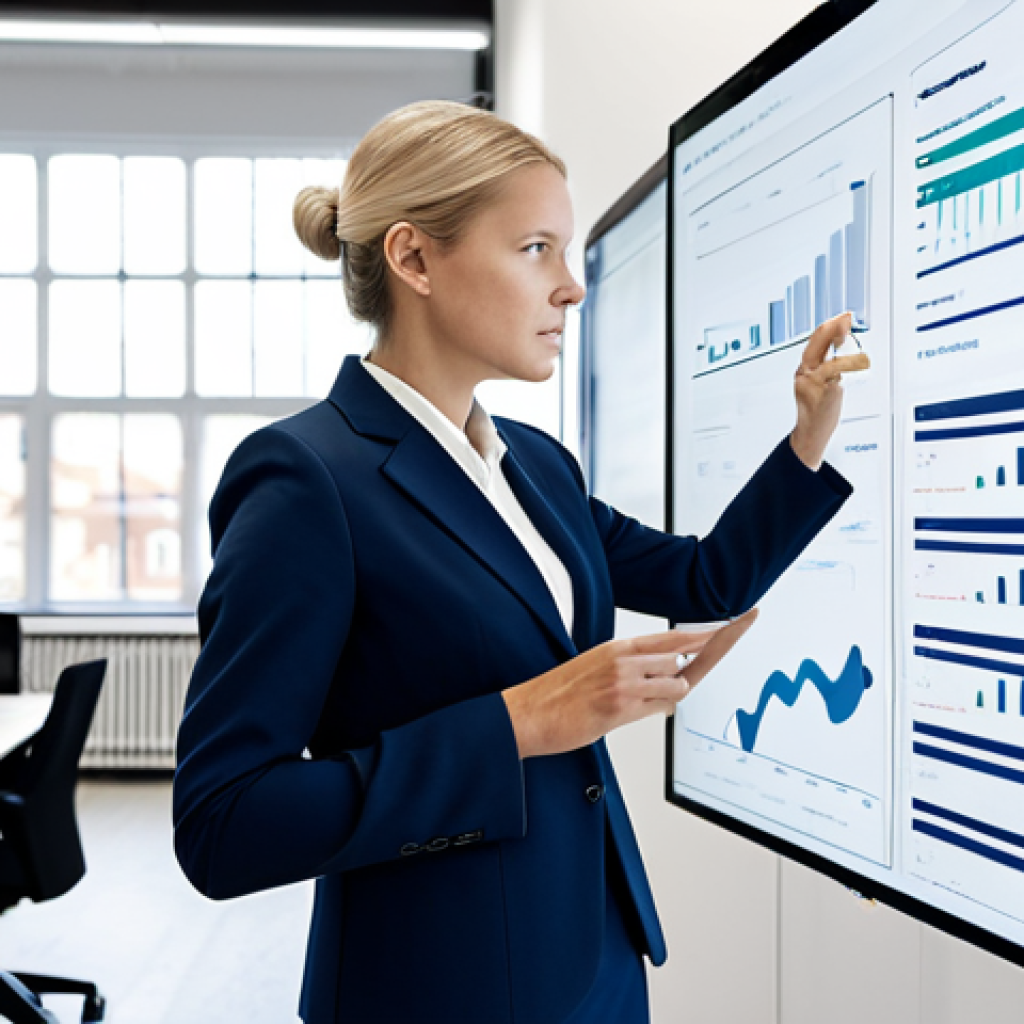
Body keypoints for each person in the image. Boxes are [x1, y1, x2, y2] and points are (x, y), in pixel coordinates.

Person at [173, 100, 865, 1024]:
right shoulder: (306, 481)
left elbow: (705, 581)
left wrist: (806, 441)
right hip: (438, 990)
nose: (571, 287)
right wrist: (518, 725)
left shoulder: (536, 465)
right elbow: (225, 825)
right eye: (537, 248)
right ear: (414, 258)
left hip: (596, 959)